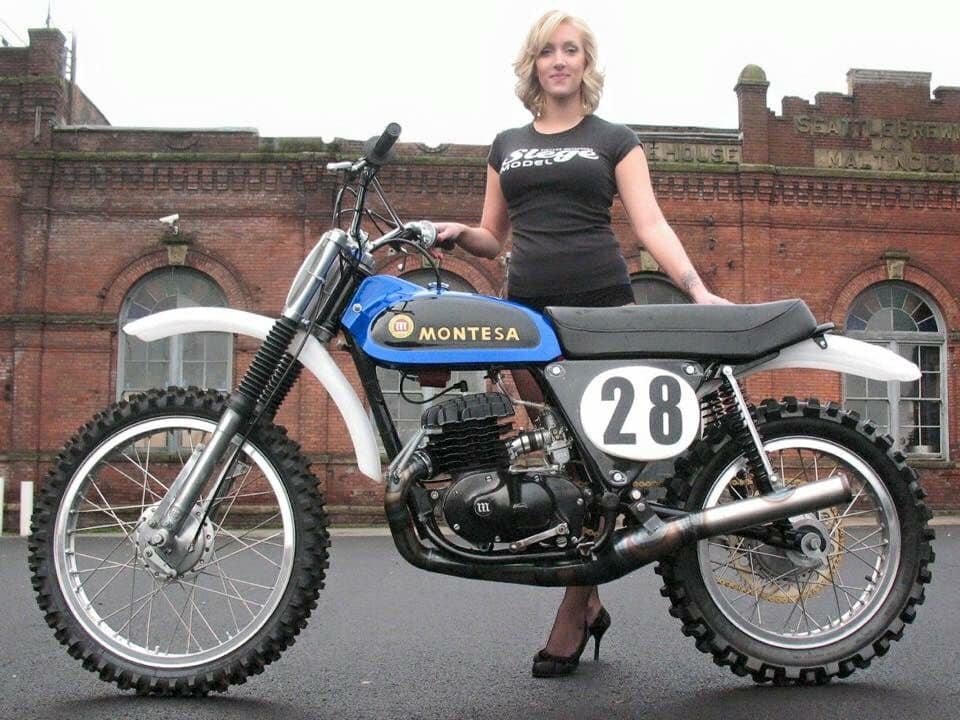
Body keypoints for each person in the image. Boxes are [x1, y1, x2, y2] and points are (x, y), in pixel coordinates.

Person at [434, 9, 730, 678]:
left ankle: (571, 614)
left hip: (602, 312)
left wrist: (697, 288)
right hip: (530, 318)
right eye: (548, 51)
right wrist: (459, 232)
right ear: (533, 65)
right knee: (561, 464)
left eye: (570, 50)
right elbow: (493, 237)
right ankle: (589, 600)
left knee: (602, 465)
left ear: (585, 63)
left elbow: (650, 224)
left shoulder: (614, 139)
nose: (559, 61)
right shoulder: (506, 144)